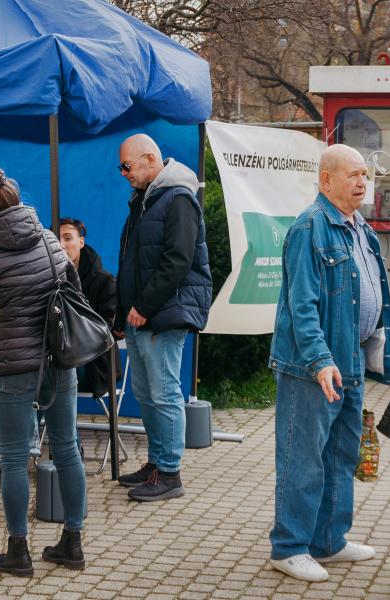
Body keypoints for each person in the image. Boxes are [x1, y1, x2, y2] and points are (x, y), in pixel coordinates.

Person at [267, 144, 390, 583]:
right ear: (326, 181)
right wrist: (320, 360)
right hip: (312, 367)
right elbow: (302, 305)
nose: (362, 182)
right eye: (353, 175)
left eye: (364, 175)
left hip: (350, 358)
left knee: (342, 453)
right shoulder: (310, 228)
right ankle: (289, 547)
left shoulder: (358, 227)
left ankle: (329, 540)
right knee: (303, 457)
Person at [0, 167, 88, 577]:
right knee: (67, 449)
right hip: (58, 361)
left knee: (14, 459)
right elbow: (76, 296)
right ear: (17, 203)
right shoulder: (51, 242)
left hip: (12, 368)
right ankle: (73, 541)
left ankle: (19, 551)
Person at [113, 133, 213, 502]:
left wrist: (144, 306)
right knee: (147, 393)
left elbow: (177, 260)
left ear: (150, 160)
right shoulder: (145, 199)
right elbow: (135, 261)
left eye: (127, 166)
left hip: (162, 314)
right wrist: (126, 310)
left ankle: (169, 472)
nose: (123, 173)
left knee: (164, 392)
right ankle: (156, 462)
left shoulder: (178, 198)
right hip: (144, 315)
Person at [59, 217, 119, 398]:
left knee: (48, 375)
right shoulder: (46, 278)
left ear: (81, 242)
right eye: (56, 239)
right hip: (58, 359)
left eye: (68, 238)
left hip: (93, 363)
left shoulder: (104, 280)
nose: (61, 244)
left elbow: (106, 330)